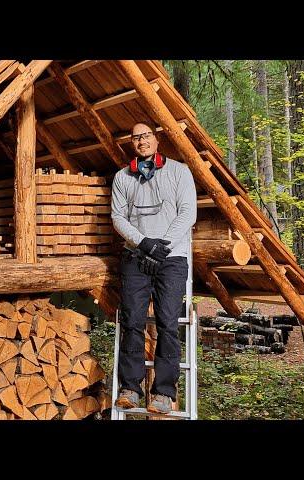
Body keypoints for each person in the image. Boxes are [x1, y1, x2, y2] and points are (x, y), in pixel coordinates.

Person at [110, 121, 197, 414]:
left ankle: (163, 392)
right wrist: (144, 243)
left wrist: (162, 248)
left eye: (146, 136)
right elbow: (118, 218)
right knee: (132, 321)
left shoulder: (179, 172)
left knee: (168, 323)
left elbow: (188, 213)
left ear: (156, 140)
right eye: (136, 137)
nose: (142, 141)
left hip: (172, 259)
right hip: (136, 257)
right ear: (131, 143)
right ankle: (130, 388)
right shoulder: (123, 177)